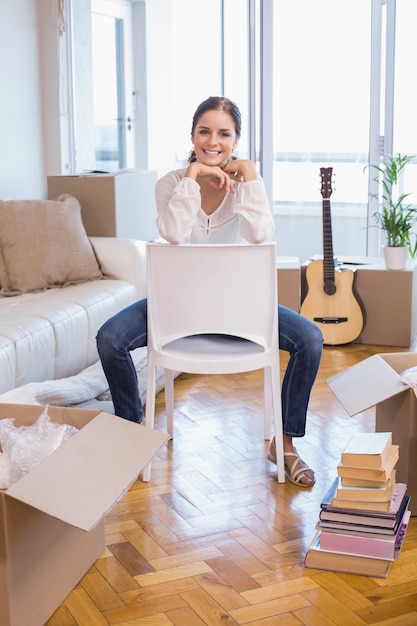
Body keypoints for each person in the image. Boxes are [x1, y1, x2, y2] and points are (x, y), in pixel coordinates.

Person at [96, 96, 323, 487]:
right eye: (205, 131)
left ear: (235, 141)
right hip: (176, 302)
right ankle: (133, 434)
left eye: (224, 133)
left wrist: (249, 174)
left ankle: (283, 445)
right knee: (110, 339)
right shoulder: (171, 182)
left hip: (237, 306)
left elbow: (258, 235)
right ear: (193, 135)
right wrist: (192, 178)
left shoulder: (246, 185)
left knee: (311, 339)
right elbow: (172, 233)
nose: (213, 141)